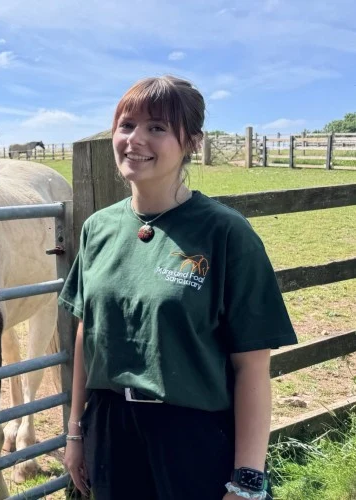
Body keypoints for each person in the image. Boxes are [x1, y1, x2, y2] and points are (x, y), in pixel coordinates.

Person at [59, 76, 297, 500]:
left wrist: (247, 477)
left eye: (157, 127)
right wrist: (76, 432)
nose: (135, 140)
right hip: (110, 429)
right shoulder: (98, 229)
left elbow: (252, 367)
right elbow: (85, 334)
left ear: (192, 143)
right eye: (126, 125)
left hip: (193, 436)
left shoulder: (225, 233)